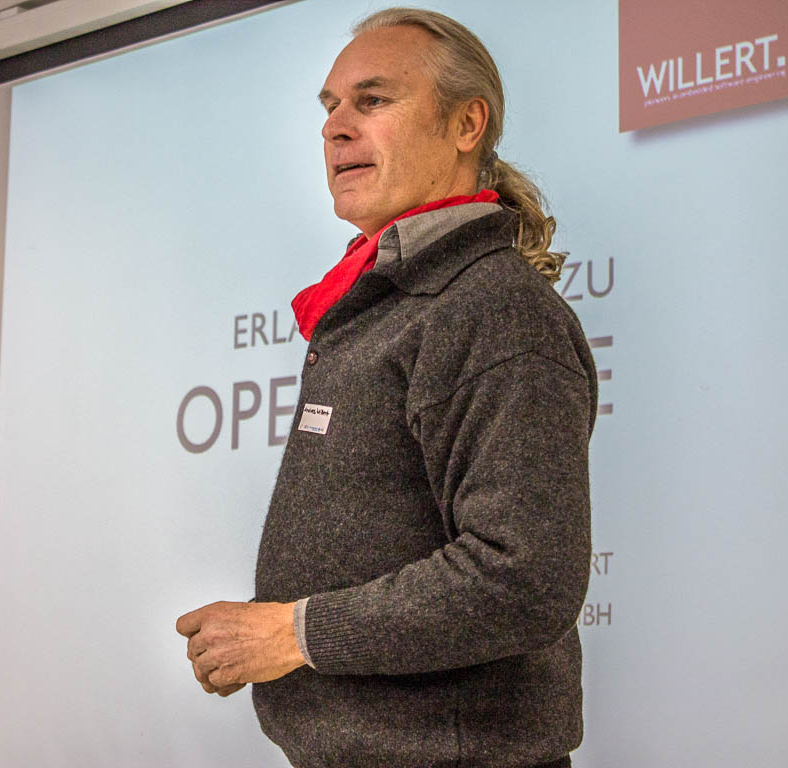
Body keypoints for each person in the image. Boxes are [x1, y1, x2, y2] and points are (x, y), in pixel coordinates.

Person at [176, 8, 597, 767]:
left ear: (467, 124)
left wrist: (293, 634)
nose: (335, 127)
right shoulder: (390, 303)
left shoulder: (492, 308)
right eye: (330, 106)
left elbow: (523, 577)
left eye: (372, 100)